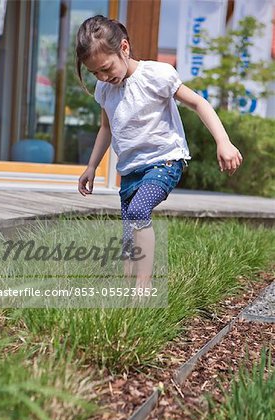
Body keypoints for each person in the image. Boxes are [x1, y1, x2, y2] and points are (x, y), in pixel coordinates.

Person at [76, 15, 243, 295]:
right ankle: (130, 293)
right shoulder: (104, 89)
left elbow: (199, 103)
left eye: (105, 68)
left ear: (124, 48)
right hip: (130, 170)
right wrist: (92, 166)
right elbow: (106, 128)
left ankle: (145, 286)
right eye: (95, 74)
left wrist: (223, 142)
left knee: (140, 211)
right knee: (129, 236)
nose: (103, 77)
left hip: (165, 162)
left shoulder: (156, 75)